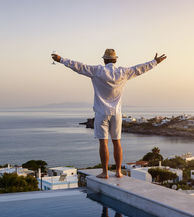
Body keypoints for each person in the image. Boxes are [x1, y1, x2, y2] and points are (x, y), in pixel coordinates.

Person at [51, 49, 166, 178]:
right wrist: (155, 62)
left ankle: (105, 172)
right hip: (116, 113)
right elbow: (140, 69)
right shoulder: (123, 72)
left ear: (104, 60)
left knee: (103, 143)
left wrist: (61, 59)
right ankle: (118, 171)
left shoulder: (97, 71)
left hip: (101, 112)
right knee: (117, 142)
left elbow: (78, 66)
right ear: (115, 60)